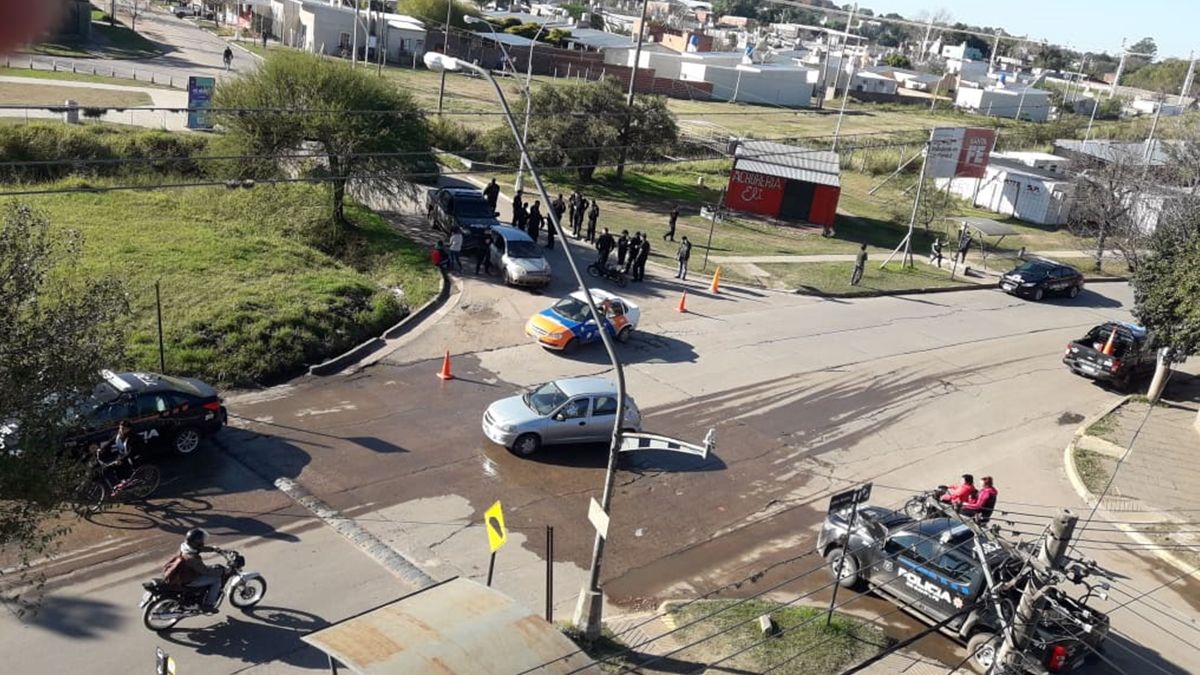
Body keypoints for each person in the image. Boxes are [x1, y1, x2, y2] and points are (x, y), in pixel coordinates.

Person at [178, 528, 224, 612]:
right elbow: (205, 571)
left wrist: (213, 549)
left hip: (185, 572)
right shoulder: (192, 558)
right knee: (216, 579)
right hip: (190, 579)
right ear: (197, 542)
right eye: (201, 540)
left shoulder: (185, 547)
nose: (203, 541)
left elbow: (199, 548)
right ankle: (208, 605)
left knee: (212, 568)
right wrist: (224, 571)